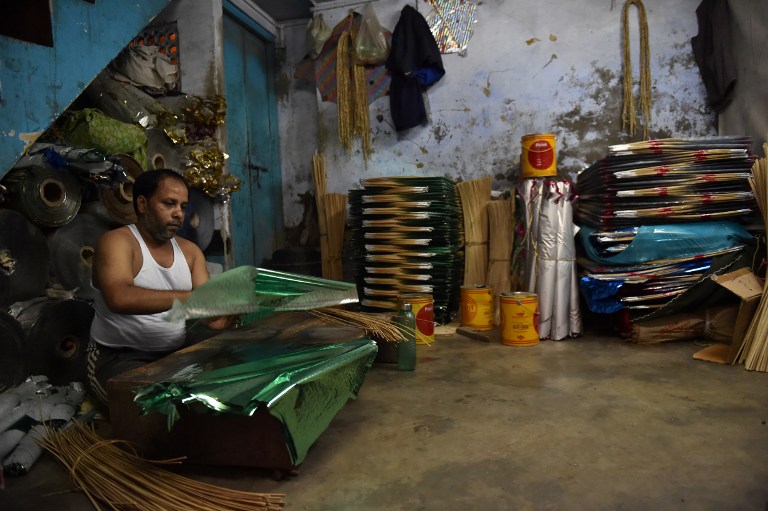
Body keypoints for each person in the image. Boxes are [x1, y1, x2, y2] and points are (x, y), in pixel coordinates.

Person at [87, 169, 234, 405]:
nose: (179, 214)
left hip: (176, 350)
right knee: (153, 408)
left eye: (183, 207)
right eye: (169, 204)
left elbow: (212, 320)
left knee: (238, 368)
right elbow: (120, 298)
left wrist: (236, 306)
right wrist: (195, 298)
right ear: (143, 204)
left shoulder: (190, 252)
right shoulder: (117, 242)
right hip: (120, 356)